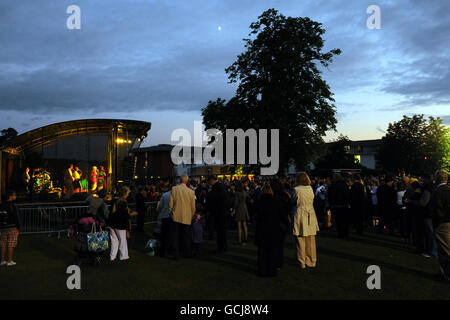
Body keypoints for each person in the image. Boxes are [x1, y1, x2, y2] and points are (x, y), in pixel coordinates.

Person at [292, 172, 319, 268]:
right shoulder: (310, 188)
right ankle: (311, 260)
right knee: (310, 240)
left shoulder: (296, 190)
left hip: (300, 213)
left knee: (300, 240)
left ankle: (302, 261)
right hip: (310, 213)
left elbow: (294, 201)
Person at [255, 183, 282, 276]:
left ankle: (262, 270)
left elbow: (256, 216)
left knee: (262, 251)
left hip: (262, 229)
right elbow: (281, 215)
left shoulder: (259, 202)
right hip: (273, 229)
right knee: (272, 251)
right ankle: (271, 270)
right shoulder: (276, 201)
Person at [168, 174, 196, 259]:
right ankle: (187, 253)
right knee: (186, 236)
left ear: (180, 181)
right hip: (187, 217)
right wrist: (191, 216)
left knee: (175, 236)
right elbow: (193, 207)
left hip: (176, 216)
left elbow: (171, 204)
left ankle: (175, 254)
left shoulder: (174, 189)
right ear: (187, 181)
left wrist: (170, 213)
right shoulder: (191, 192)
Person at [429, 170, 450, 283]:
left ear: (437, 178)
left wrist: (439, 222)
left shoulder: (438, 191)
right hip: (445, 222)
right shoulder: (447, 189)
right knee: (442, 250)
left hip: (443, 224)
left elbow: (437, 209)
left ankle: (447, 274)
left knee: (445, 251)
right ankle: (443, 273)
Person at [107, 186, 137, 261]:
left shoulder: (114, 200)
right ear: (124, 194)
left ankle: (112, 256)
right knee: (122, 240)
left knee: (114, 240)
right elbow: (122, 214)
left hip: (111, 223)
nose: (128, 195)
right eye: (127, 193)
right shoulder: (123, 202)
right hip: (119, 224)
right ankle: (123, 256)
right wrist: (131, 214)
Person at [207, 176, 229, 253]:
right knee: (223, 231)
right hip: (223, 211)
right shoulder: (222, 186)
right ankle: (224, 247)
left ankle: (221, 248)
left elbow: (213, 200)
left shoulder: (216, 187)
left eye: (209, 181)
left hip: (218, 212)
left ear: (212, 180)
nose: (209, 183)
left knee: (220, 231)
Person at [0, 190, 20, 266]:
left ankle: (2, 261)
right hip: (12, 227)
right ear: (10, 196)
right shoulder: (12, 205)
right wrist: (18, 227)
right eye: (14, 195)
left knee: (3, 244)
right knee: (10, 244)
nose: (15, 196)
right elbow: (16, 217)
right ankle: (10, 261)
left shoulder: (1, 205)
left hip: (2, 228)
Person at [328, 173, 351, 239]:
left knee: (338, 221)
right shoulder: (344, 184)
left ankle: (340, 234)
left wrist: (331, 204)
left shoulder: (333, 185)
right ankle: (345, 233)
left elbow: (331, 196)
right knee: (344, 221)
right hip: (344, 205)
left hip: (337, 205)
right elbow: (348, 194)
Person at [156, 182, 172, 257]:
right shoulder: (174, 195)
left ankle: (163, 251)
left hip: (165, 216)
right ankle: (169, 249)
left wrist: (159, 211)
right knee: (170, 234)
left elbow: (160, 207)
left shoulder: (165, 195)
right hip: (172, 217)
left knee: (164, 235)